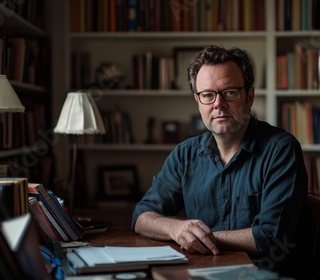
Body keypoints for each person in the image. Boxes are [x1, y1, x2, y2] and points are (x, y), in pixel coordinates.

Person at [131, 44, 308, 275]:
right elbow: (141, 216)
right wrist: (175, 228)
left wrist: (201, 237)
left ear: (249, 96)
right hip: (200, 274)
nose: (218, 104)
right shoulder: (185, 154)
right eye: (208, 95)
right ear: (198, 100)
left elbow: (269, 237)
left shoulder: (281, 150)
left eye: (230, 92)